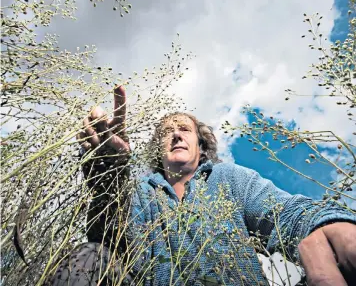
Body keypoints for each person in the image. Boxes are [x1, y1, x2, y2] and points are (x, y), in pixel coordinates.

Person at [49, 85, 356, 286]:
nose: (177, 135)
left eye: (184, 129)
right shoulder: (141, 192)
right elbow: (107, 239)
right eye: (168, 131)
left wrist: (326, 225)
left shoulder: (230, 179)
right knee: (88, 256)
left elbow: (285, 213)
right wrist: (109, 175)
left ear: (201, 143)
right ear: (158, 147)